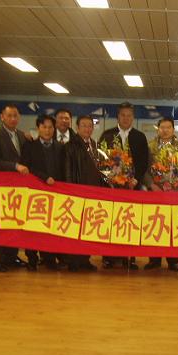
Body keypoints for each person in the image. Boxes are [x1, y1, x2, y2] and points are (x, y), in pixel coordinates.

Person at [99, 102, 149, 270]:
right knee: (111, 222)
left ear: (133, 118)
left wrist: (136, 179)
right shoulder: (107, 135)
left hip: (132, 188)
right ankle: (108, 257)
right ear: (117, 117)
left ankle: (130, 257)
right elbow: (101, 160)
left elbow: (144, 162)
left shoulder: (140, 137)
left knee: (130, 221)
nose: (126, 118)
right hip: (111, 189)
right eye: (123, 115)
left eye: (129, 115)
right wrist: (109, 178)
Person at [0, 104, 29, 273]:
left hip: (19, 190)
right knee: (1, 224)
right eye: (9, 115)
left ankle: (12, 256)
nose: (13, 119)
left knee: (16, 223)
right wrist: (15, 166)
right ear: (2, 117)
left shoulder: (22, 136)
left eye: (15, 116)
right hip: (2, 188)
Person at [21, 115, 66, 271]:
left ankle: (49, 259)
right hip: (35, 195)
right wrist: (44, 177)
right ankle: (32, 259)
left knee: (51, 228)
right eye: (44, 127)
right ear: (38, 128)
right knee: (33, 228)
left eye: (50, 127)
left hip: (55, 195)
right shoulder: (29, 147)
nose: (47, 130)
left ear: (54, 129)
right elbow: (27, 168)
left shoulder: (60, 147)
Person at [143, 117, 178, 271]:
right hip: (155, 193)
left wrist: (176, 184)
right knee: (155, 224)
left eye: (168, 127)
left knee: (173, 227)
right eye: (162, 127)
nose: (165, 130)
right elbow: (144, 169)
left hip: (174, 194)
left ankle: (173, 260)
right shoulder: (150, 147)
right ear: (158, 129)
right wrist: (151, 184)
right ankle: (154, 259)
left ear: (173, 129)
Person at [65, 115, 106, 272]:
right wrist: (71, 192)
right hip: (77, 193)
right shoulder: (70, 146)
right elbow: (68, 171)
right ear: (77, 127)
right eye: (84, 126)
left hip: (94, 194)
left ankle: (85, 259)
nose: (87, 129)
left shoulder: (96, 145)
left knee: (88, 228)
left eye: (90, 126)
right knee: (75, 229)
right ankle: (73, 261)